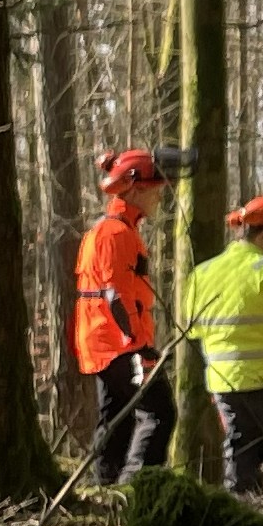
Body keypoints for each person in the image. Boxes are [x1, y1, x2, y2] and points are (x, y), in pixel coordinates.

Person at [186, 194, 263, 497]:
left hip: (222, 382)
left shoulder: (202, 274)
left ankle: (241, 502)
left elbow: (193, 328)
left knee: (241, 445)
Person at [74, 149, 175, 485]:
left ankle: (107, 485)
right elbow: (115, 296)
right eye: (155, 190)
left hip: (108, 341)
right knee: (158, 412)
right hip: (117, 343)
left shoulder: (118, 230)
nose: (159, 197)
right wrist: (137, 346)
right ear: (135, 190)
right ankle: (137, 486)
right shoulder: (115, 234)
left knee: (117, 416)